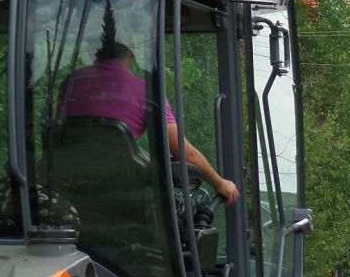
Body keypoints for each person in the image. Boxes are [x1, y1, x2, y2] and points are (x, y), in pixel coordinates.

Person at [60, 41, 238, 206]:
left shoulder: (70, 82)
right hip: (118, 199)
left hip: (67, 191)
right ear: (131, 52)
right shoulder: (146, 91)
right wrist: (219, 182)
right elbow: (184, 154)